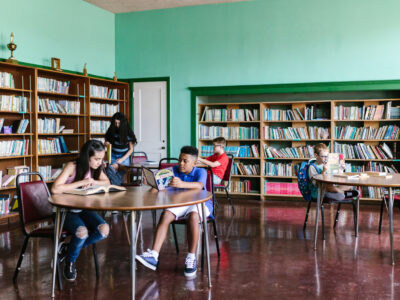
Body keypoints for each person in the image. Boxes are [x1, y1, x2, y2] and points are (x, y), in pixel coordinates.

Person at [136, 146, 211, 278]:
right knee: (166, 214)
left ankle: (191, 257)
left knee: (193, 217)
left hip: (199, 203)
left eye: (185, 161)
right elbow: (157, 189)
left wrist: (181, 184)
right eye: (180, 160)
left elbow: (199, 185)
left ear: (194, 163)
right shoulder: (172, 171)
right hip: (179, 203)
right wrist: (151, 184)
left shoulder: (201, 171)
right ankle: (154, 255)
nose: (180, 164)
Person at [51, 139, 111, 281]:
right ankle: (70, 262)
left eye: (101, 159)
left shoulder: (96, 169)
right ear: (86, 157)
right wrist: (82, 182)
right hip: (64, 211)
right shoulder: (72, 166)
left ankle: (67, 249)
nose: (99, 162)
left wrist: (93, 182)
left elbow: (107, 182)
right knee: (82, 232)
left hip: (82, 209)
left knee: (104, 230)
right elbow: (55, 189)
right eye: (96, 159)